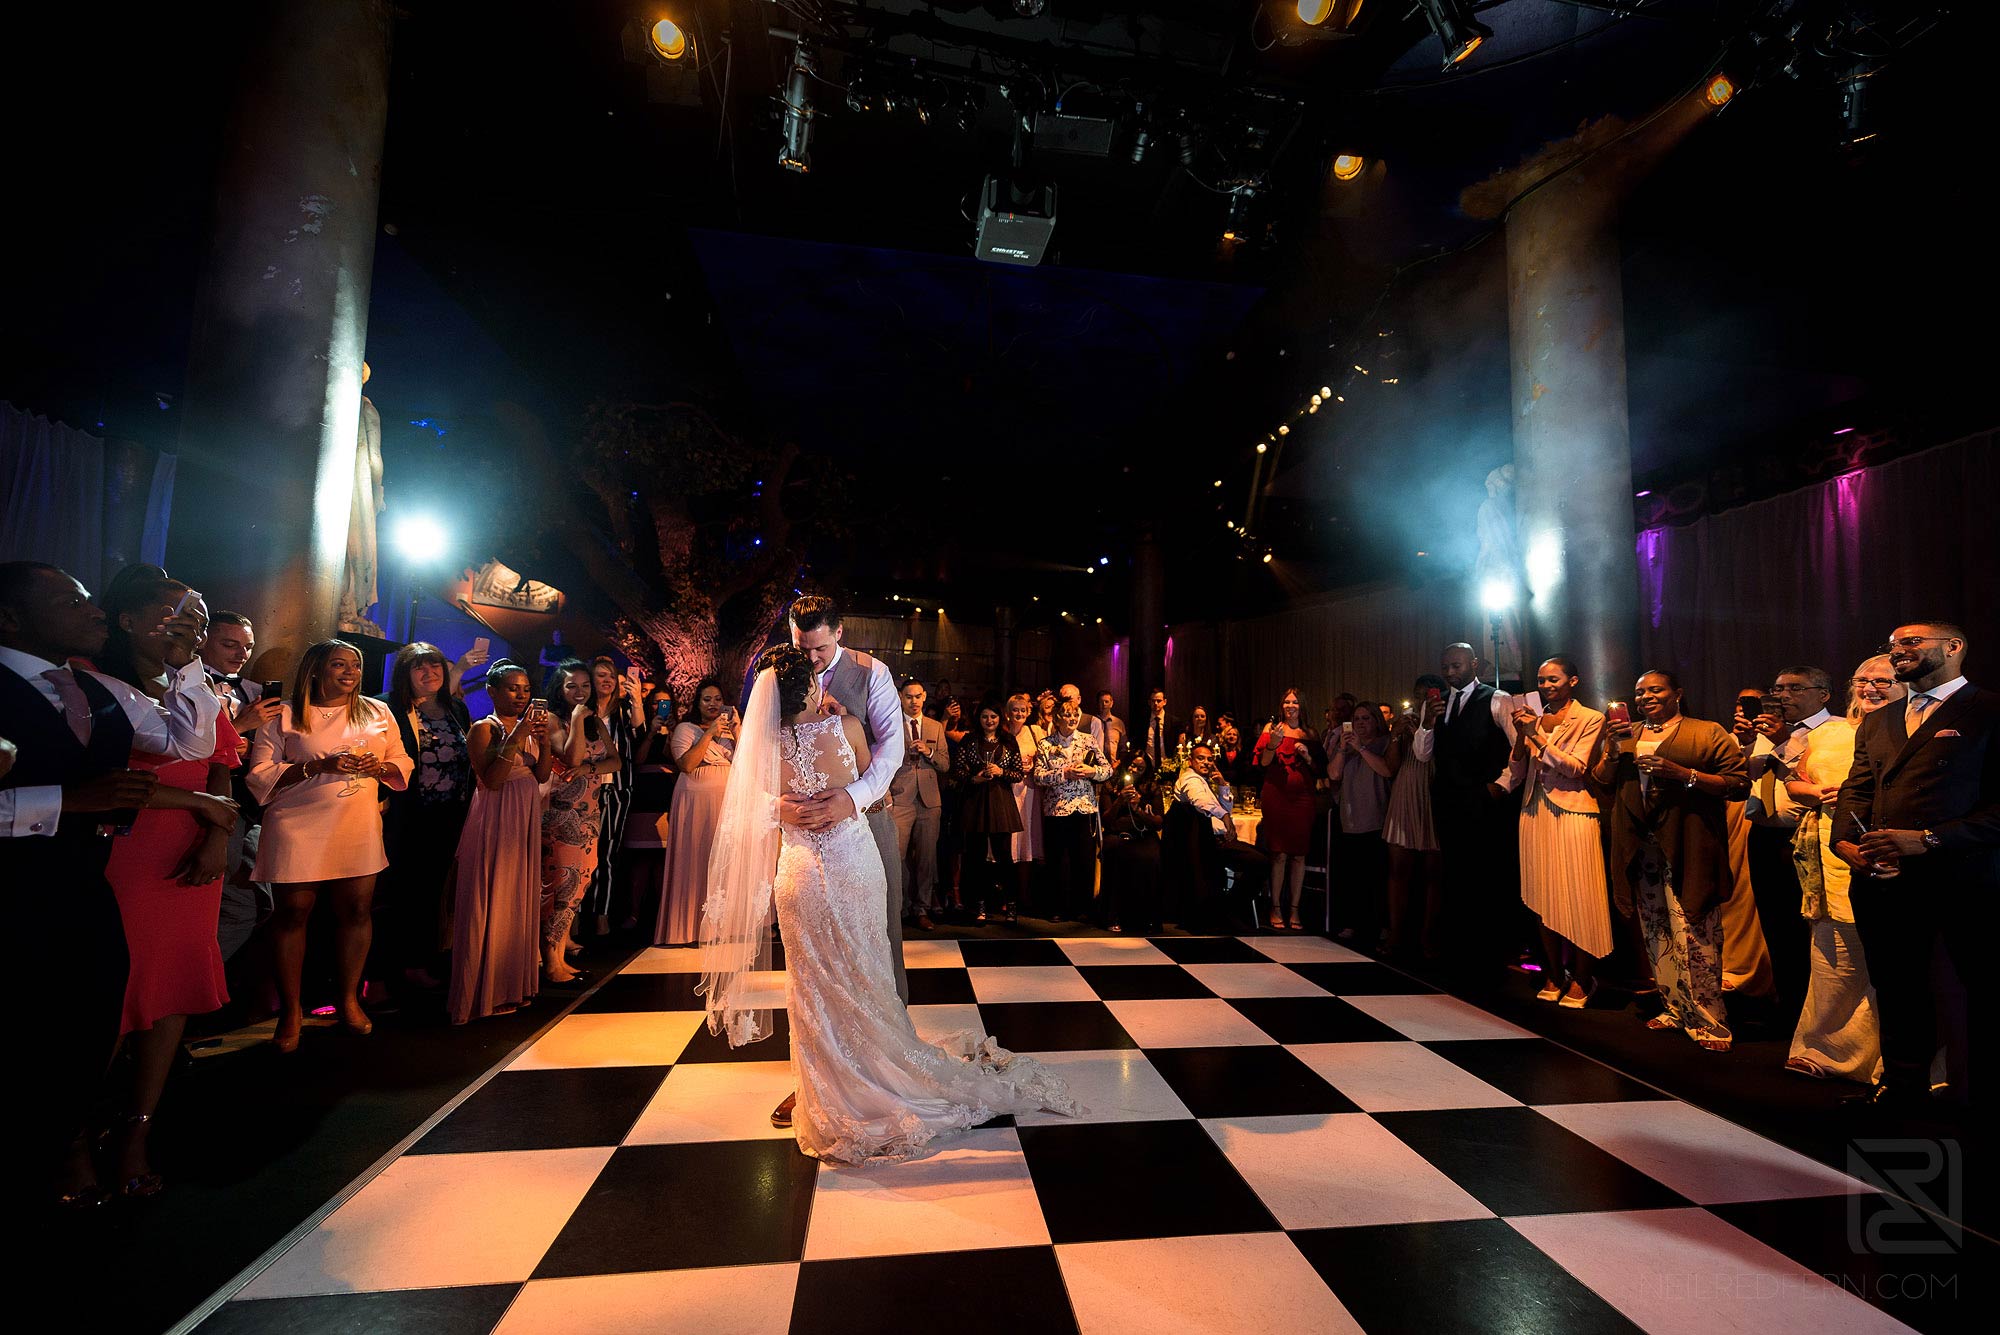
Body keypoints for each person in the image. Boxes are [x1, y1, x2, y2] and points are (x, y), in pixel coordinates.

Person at [698, 647, 1079, 1164]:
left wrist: (782, 806)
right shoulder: (847, 729)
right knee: (864, 970)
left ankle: (822, 1094)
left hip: (800, 874)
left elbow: (745, 803)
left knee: (811, 985)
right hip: (852, 863)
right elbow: (872, 792)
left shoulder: (761, 744)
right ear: (809, 688)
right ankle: (878, 1074)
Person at [1, 561, 218, 1207]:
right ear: (11, 618)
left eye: (92, 601)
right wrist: (65, 801)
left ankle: (70, 1137)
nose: (94, 611)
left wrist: (185, 668)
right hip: (13, 889)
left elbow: (187, 743)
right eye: (72, 601)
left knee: (84, 1023)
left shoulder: (101, 692)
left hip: (83, 884)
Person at [93, 570, 242, 1199]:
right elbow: (100, 781)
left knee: (171, 991)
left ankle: (136, 1132)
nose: (191, 620)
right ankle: (76, 1134)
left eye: (199, 613)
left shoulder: (197, 686)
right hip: (124, 850)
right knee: (110, 993)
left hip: (190, 855)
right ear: (126, 621)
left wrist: (216, 831)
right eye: (175, 609)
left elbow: (221, 762)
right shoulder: (87, 683)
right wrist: (204, 806)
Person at [1834, 622, 1998, 1111]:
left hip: (1966, 878)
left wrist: (1928, 839)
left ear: (1953, 648)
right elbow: (1856, 791)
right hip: (1885, 881)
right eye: (1892, 644)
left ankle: (1981, 1098)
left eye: (1911, 642)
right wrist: (1849, 843)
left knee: (1980, 987)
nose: (1897, 651)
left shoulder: (1989, 709)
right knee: (1897, 985)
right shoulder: (1879, 721)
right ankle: (1902, 1087)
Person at [247, 640, 413, 1052]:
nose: (350, 672)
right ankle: (290, 1010)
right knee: (293, 912)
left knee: (357, 909)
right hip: (295, 823)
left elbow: (402, 760)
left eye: (355, 665)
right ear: (316, 669)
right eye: (339, 664)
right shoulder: (285, 714)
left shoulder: (377, 710)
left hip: (355, 822)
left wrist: (381, 767)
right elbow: (259, 773)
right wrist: (315, 766)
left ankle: (349, 1000)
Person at [1594, 671, 1748, 1053]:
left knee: (1694, 928)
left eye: (1655, 690)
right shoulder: (1628, 734)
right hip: (1640, 847)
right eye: (1639, 692)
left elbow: (1738, 782)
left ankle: (1709, 1020)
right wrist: (1613, 752)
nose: (1646, 697)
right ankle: (1675, 1007)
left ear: (1677, 693)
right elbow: (1601, 781)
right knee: (1657, 929)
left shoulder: (1706, 731)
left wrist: (1685, 775)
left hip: (1688, 842)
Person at [1782, 655, 1901, 1082]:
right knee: (1835, 961)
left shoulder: (1914, 732)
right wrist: (1815, 792)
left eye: (1882, 680)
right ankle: (1822, 1050)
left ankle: (1890, 1062)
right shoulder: (1831, 732)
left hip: (1894, 855)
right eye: (1863, 680)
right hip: (1832, 858)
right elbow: (1792, 780)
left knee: (1891, 965)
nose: (1870, 687)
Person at [1496, 657, 1609, 1007]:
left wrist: (1538, 737)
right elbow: (1517, 768)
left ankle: (1583, 975)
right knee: (1542, 894)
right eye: (1542, 680)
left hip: (1574, 810)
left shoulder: (1591, 718)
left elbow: (1577, 768)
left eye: (1554, 679)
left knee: (1579, 894)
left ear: (1573, 680)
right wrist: (1521, 738)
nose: (1546, 686)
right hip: (1533, 809)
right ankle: (1554, 972)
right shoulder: (1534, 716)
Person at [449, 661, 551, 1023]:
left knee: (516, 897)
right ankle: (482, 992)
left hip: (524, 815)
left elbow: (541, 775)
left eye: (524, 689)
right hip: (495, 816)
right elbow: (491, 779)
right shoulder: (483, 728)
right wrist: (519, 735)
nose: (521, 695)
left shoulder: (530, 729)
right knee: (489, 896)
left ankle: (511, 985)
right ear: (492, 691)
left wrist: (543, 740)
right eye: (512, 688)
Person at [378, 641, 483, 994]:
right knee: (399, 892)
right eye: (420, 667)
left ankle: (419, 962)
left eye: (435, 666)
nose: (429, 673)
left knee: (432, 892)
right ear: (405, 674)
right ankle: (386, 972)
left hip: (450, 812)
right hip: (408, 815)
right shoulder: (388, 707)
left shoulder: (455, 707)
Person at [1742, 666, 1838, 1021]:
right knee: (1775, 923)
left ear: (1823, 694)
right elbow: (1751, 778)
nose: (1783, 696)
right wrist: (1747, 743)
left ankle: (1818, 1014)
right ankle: (1789, 1006)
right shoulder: (1769, 730)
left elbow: (1809, 775)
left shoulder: (1836, 730)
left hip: (1805, 836)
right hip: (1764, 833)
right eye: (1779, 688)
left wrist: (1783, 738)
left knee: (1809, 927)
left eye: (1795, 689)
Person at [1414, 642, 1517, 959]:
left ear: (1475, 665)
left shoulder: (1497, 699)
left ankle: (1490, 949)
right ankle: (1456, 947)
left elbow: (1520, 746)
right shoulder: (1435, 703)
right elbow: (1422, 754)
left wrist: (1502, 784)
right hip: (1446, 798)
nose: (1449, 672)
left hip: (1483, 797)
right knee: (1454, 871)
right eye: (1445, 667)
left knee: (1486, 871)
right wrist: (1427, 723)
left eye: (1456, 666)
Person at [541, 660, 619, 986]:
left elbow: (614, 760)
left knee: (580, 883)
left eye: (585, 686)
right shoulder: (552, 719)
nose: (580, 691)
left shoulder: (595, 721)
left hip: (589, 812)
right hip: (560, 813)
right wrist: (574, 720)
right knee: (561, 884)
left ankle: (558, 956)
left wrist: (590, 770)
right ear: (559, 687)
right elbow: (570, 758)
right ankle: (550, 962)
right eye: (572, 685)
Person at [655, 679, 735, 946]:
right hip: (694, 803)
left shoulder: (733, 731)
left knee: (722, 861)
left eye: (717, 699)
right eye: (707, 699)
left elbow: (748, 762)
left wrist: (737, 728)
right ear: (698, 703)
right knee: (695, 858)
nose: (713, 704)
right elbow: (687, 764)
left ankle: (723, 926)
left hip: (726, 802)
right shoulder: (685, 729)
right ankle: (688, 927)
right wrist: (710, 733)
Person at [1382, 675, 1446, 959]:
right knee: (1398, 871)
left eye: (1427, 695)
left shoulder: (1444, 719)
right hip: (1406, 788)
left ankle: (1429, 937)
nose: (1421, 700)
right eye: (1417, 694)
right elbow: (1391, 767)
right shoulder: (1404, 721)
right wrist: (1396, 734)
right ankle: (1396, 935)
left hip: (1432, 790)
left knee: (1435, 873)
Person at [581, 656, 645, 936]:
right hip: (585, 787)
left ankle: (602, 916)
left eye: (610, 676)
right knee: (583, 853)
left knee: (607, 853)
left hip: (617, 786)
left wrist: (637, 697)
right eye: (600, 676)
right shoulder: (582, 710)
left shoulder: (622, 710)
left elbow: (639, 731)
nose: (606, 681)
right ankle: (577, 917)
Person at [1175, 741, 1269, 929]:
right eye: (1201, 758)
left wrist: (1223, 785)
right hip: (1208, 842)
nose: (1206, 763)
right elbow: (1200, 801)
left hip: (1218, 838)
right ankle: (1230, 908)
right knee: (1261, 862)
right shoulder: (1190, 779)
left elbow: (1225, 809)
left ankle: (1229, 907)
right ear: (1190, 761)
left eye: (1210, 759)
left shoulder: (1203, 781)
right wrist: (1225, 817)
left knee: (1262, 859)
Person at [1033, 697, 1112, 922]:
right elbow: (1038, 776)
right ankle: (1057, 907)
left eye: (1075, 714)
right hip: (1057, 809)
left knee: (1084, 860)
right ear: (1057, 718)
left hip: (1084, 807)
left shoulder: (1088, 740)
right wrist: (1063, 774)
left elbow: (1107, 770)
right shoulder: (1046, 744)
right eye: (1067, 714)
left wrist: (1090, 771)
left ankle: (1084, 908)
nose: (1072, 718)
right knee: (1057, 860)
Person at [1327, 702, 1394, 941]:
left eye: (1366, 718)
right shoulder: (1346, 746)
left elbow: (1387, 770)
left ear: (1376, 720)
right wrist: (1344, 749)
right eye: (1356, 719)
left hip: (1377, 819)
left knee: (1377, 876)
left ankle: (1382, 926)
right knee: (1352, 876)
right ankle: (1352, 922)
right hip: (1350, 818)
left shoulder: (1384, 743)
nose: (1361, 723)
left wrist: (1362, 748)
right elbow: (1334, 774)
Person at [1254, 688, 1320, 930]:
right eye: (1286, 702)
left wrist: (1309, 757)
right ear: (1281, 705)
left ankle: (1295, 909)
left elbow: (1319, 770)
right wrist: (1273, 744)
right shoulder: (1271, 730)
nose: (1290, 705)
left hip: (1303, 797)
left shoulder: (1310, 733)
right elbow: (1262, 762)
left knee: (1299, 854)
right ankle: (1275, 907)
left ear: (1302, 705)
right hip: (1276, 795)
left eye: (1294, 702)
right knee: (1279, 853)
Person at [954, 700, 1024, 922]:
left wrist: (1001, 771)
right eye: (985, 716)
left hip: (1001, 803)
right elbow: (957, 770)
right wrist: (974, 778)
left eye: (993, 716)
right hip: (975, 803)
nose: (989, 720)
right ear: (979, 718)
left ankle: (1011, 905)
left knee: (1004, 857)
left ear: (999, 718)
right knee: (975, 857)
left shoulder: (1008, 741)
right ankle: (978, 905)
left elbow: (1018, 773)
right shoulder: (969, 740)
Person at [890, 680, 951, 930]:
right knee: (897, 857)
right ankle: (899, 908)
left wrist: (929, 752)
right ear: (900, 697)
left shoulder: (936, 727)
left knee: (926, 858)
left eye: (917, 696)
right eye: (908, 697)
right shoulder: (891, 724)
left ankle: (922, 908)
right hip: (900, 798)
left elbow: (946, 765)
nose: (913, 701)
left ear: (924, 697)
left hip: (929, 802)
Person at [1100, 752, 1165, 934]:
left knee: (1151, 857)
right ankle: (1113, 915)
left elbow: (1159, 822)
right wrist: (1120, 801)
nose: (1134, 770)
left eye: (1140, 768)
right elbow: (1106, 821)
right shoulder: (1110, 786)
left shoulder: (1152, 788)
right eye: (1132, 766)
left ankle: (1147, 917)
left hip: (1143, 835)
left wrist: (1138, 809)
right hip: (1117, 834)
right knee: (1116, 853)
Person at [1001, 691, 1044, 920]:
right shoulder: (1002, 733)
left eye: (1023, 710)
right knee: (1007, 843)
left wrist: (1034, 767)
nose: (1019, 713)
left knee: (1026, 843)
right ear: (1008, 713)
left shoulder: (1036, 732)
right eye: (1015, 709)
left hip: (1029, 792)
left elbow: (1046, 762)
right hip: (1007, 791)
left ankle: (1024, 896)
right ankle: (1004, 896)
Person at [1139, 688, 1181, 776]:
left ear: (1164, 702)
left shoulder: (1174, 722)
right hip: (1147, 768)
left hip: (1168, 768)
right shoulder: (1142, 721)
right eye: (1153, 701)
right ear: (1149, 702)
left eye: (1159, 701)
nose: (1155, 703)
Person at [1096, 691, 1127, 763]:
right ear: (1097, 703)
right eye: (1101, 702)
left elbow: (1123, 748)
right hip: (1095, 766)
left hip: (1113, 765)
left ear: (1111, 703)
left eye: (1106, 702)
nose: (1104, 705)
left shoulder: (1119, 723)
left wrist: (1118, 762)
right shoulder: (1092, 722)